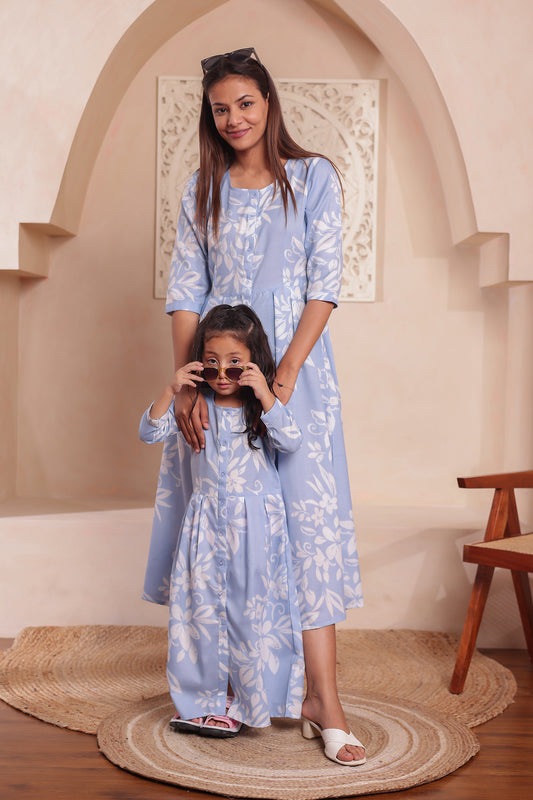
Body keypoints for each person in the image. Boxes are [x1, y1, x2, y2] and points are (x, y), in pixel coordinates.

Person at [143, 47, 365, 765]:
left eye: (244, 102)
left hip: (293, 374)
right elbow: (186, 290)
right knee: (227, 533)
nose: (233, 118)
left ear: (268, 101)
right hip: (218, 378)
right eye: (220, 109)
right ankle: (235, 690)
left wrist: (287, 372)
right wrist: (189, 383)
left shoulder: (313, 177)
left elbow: (323, 281)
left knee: (305, 530)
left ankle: (323, 701)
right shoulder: (201, 190)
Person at [140, 304, 304, 735]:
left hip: (257, 529)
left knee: (249, 616)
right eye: (211, 365)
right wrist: (173, 388)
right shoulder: (197, 405)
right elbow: (149, 431)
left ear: (253, 363)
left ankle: (246, 700)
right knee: (200, 613)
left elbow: (292, 440)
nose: (223, 375)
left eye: (235, 365)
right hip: (205, 523)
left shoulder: (260, 408)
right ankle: (201, 700)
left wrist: (265, 393)